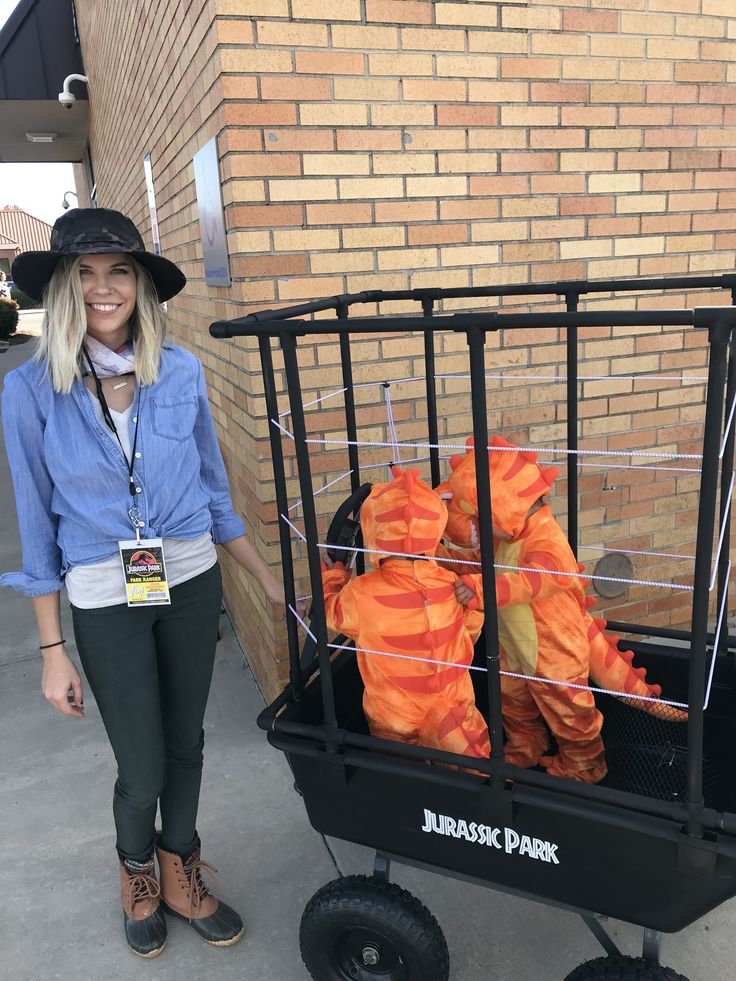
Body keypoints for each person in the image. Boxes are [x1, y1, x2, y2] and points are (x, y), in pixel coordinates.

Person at [0, 208, 303, 958]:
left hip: (192, 577)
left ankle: (181, 871)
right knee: (141, 763)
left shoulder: (183, 372)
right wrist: (51, 649)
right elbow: (37, 527)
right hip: (106, 593)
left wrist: (266, 581)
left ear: (140, 284)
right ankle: (136, 873)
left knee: (187, 744)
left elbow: (213, 494)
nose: (105, 288)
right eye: (87, 273)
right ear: (67, 287)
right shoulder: (31, 390)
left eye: (120, 270)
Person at [321, 467, 489, 760]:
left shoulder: (360, 593)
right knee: (475, 773)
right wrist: (475, 604)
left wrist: (334, 575)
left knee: (407, 782)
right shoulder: (453, 585)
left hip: (395, 724)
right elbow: (470, 631)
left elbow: (330, 612)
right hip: (457, 711)